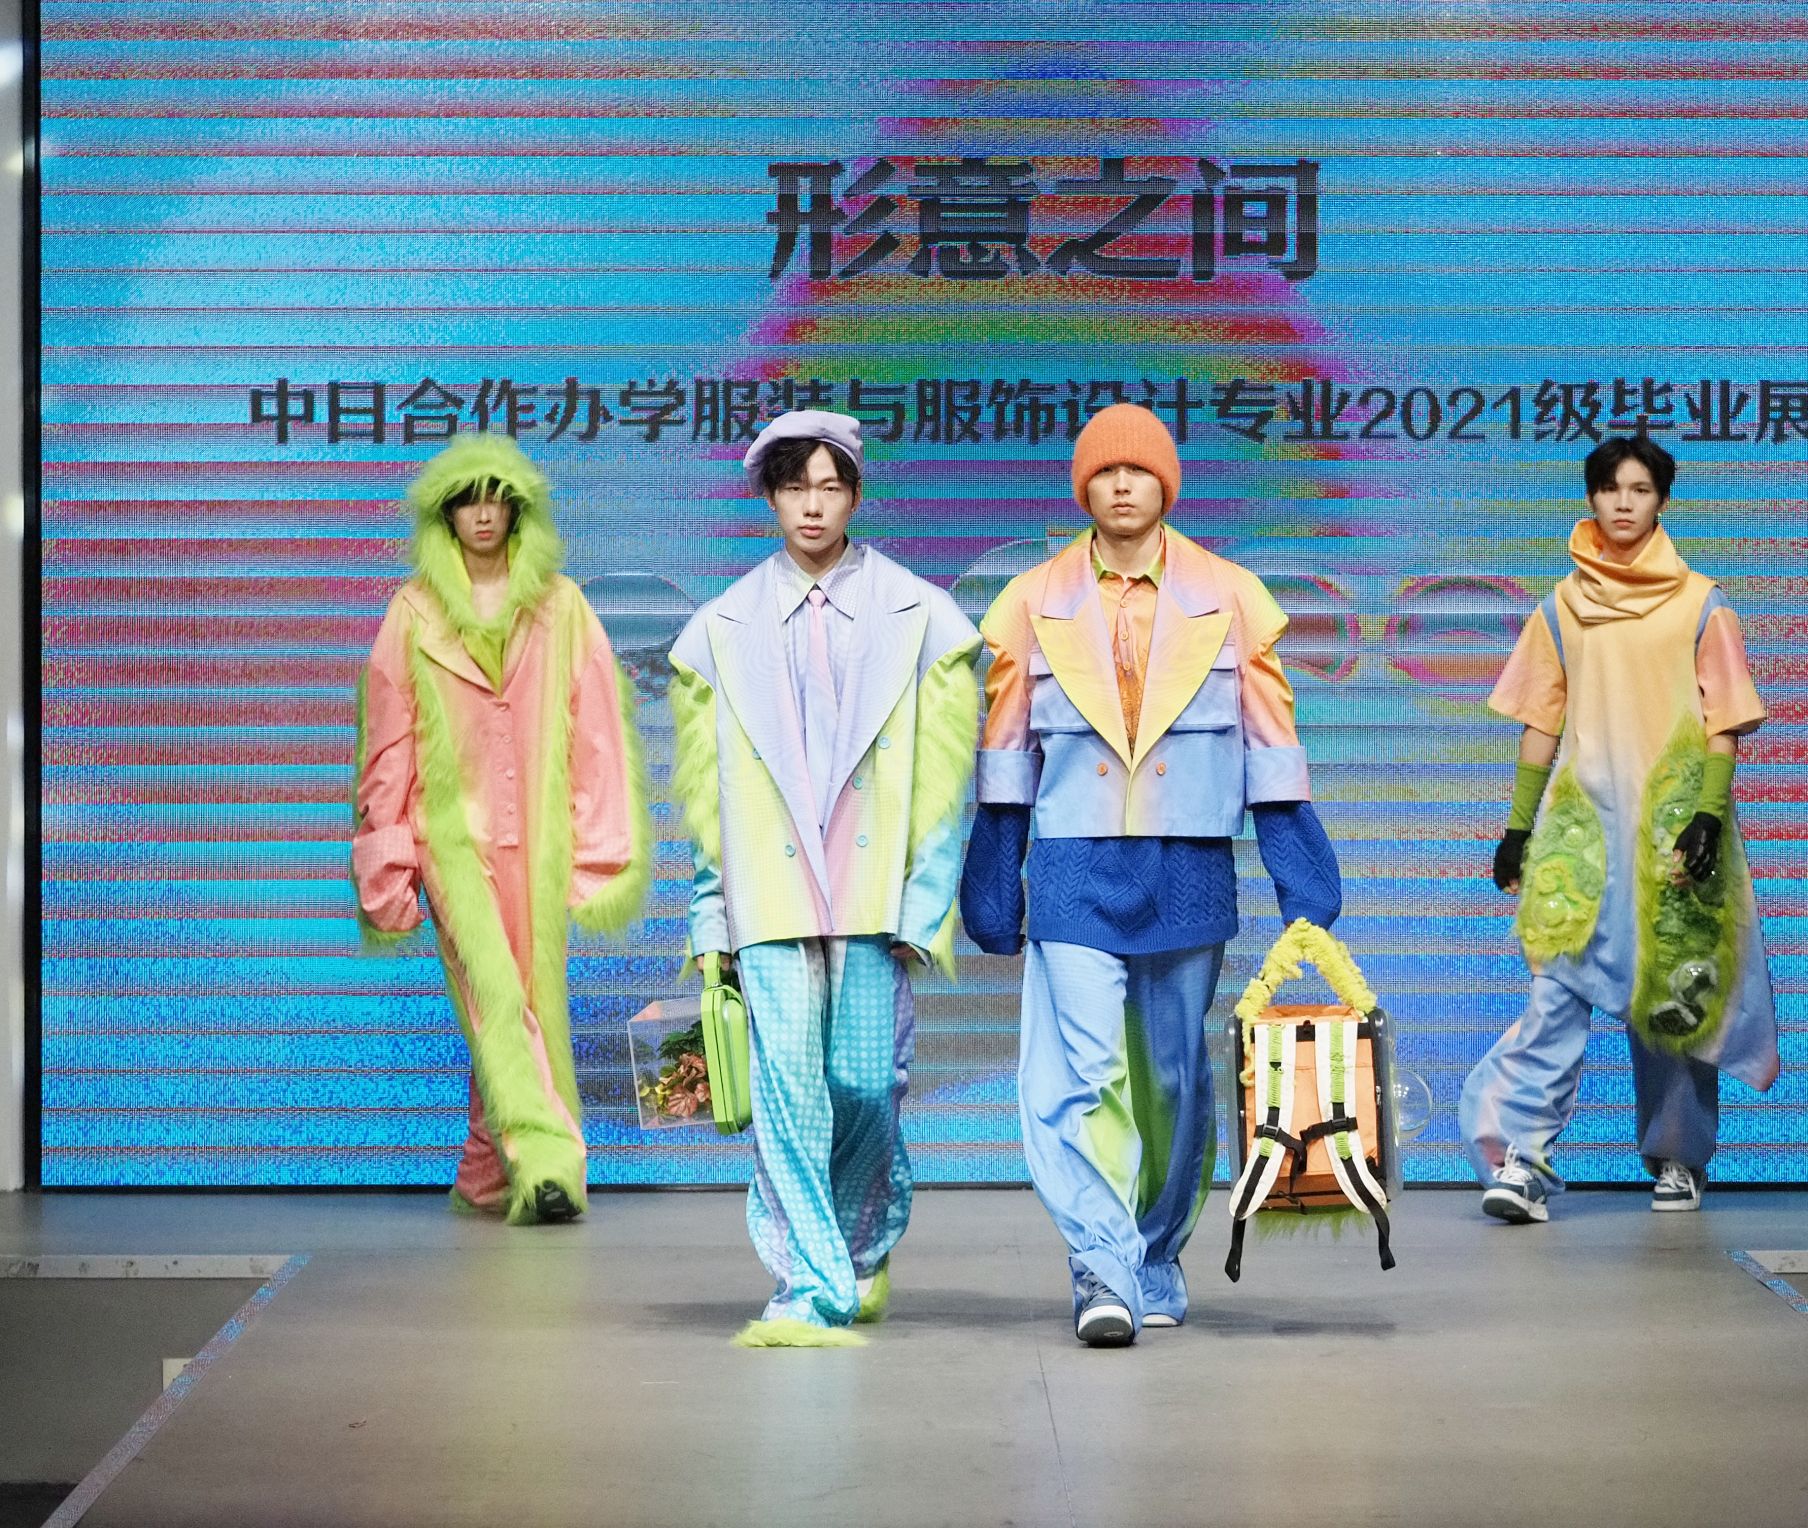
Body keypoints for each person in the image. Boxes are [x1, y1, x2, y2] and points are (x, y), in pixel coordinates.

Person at [961, 403, 1342, 1347]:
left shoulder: (1231, 595)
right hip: (1071, 866)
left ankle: (1157, 1251)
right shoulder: (1030, 601)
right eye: (1104, 471)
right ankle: (1101, 1262)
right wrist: (993, 877)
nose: (1122, 484)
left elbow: (1270, 744)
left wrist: (1303, 881)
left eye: (1139, 470)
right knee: (1079, 1075)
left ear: (1167, 483)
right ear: (1081, 487)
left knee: (1174, 1080)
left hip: (1187, 865)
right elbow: (1005, 753)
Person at [668, 410, 981, 1347]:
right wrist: (710, 918)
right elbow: (706, 792)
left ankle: (856, 1242)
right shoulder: (718, 629)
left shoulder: (922, 616)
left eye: (830, 486)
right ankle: (806, 1285)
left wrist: (926, 905)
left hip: (874, 891)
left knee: (866, 1083)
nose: (813, 505)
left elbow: (945, 779)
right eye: (796, 486)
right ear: (770, 498)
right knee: (790, 1093)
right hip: (767, 894)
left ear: (855, 495)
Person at [1463, 434, 1778, 1223]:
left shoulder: (1701, 603)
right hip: (1582, 831)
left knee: (1672, 993)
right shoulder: (1561, 607)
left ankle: (1677, 1158)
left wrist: (1707, 815)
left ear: (1662, 499)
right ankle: (1524, 1158)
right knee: (1554, 993)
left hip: (1673, 829)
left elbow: (1723, 719)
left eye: (1640, 489)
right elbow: (1541, 719)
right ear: (1591, 498)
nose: (1625, 502)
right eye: (1611, 489)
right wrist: (1518, 828)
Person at [353, 433, 651, 1224]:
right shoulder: (413, 612)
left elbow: (598, 729)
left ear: (517, 510)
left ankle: (484, 1176)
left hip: (538, 840)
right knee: (497, 998)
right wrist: (387, 856)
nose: (483, 514)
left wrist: (598, 844)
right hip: (449, 841)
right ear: (445, 514)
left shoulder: (563, 606)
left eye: (497, 499)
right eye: (467, 500)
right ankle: (551, 1164)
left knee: (526, 1003)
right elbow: (387, 741)